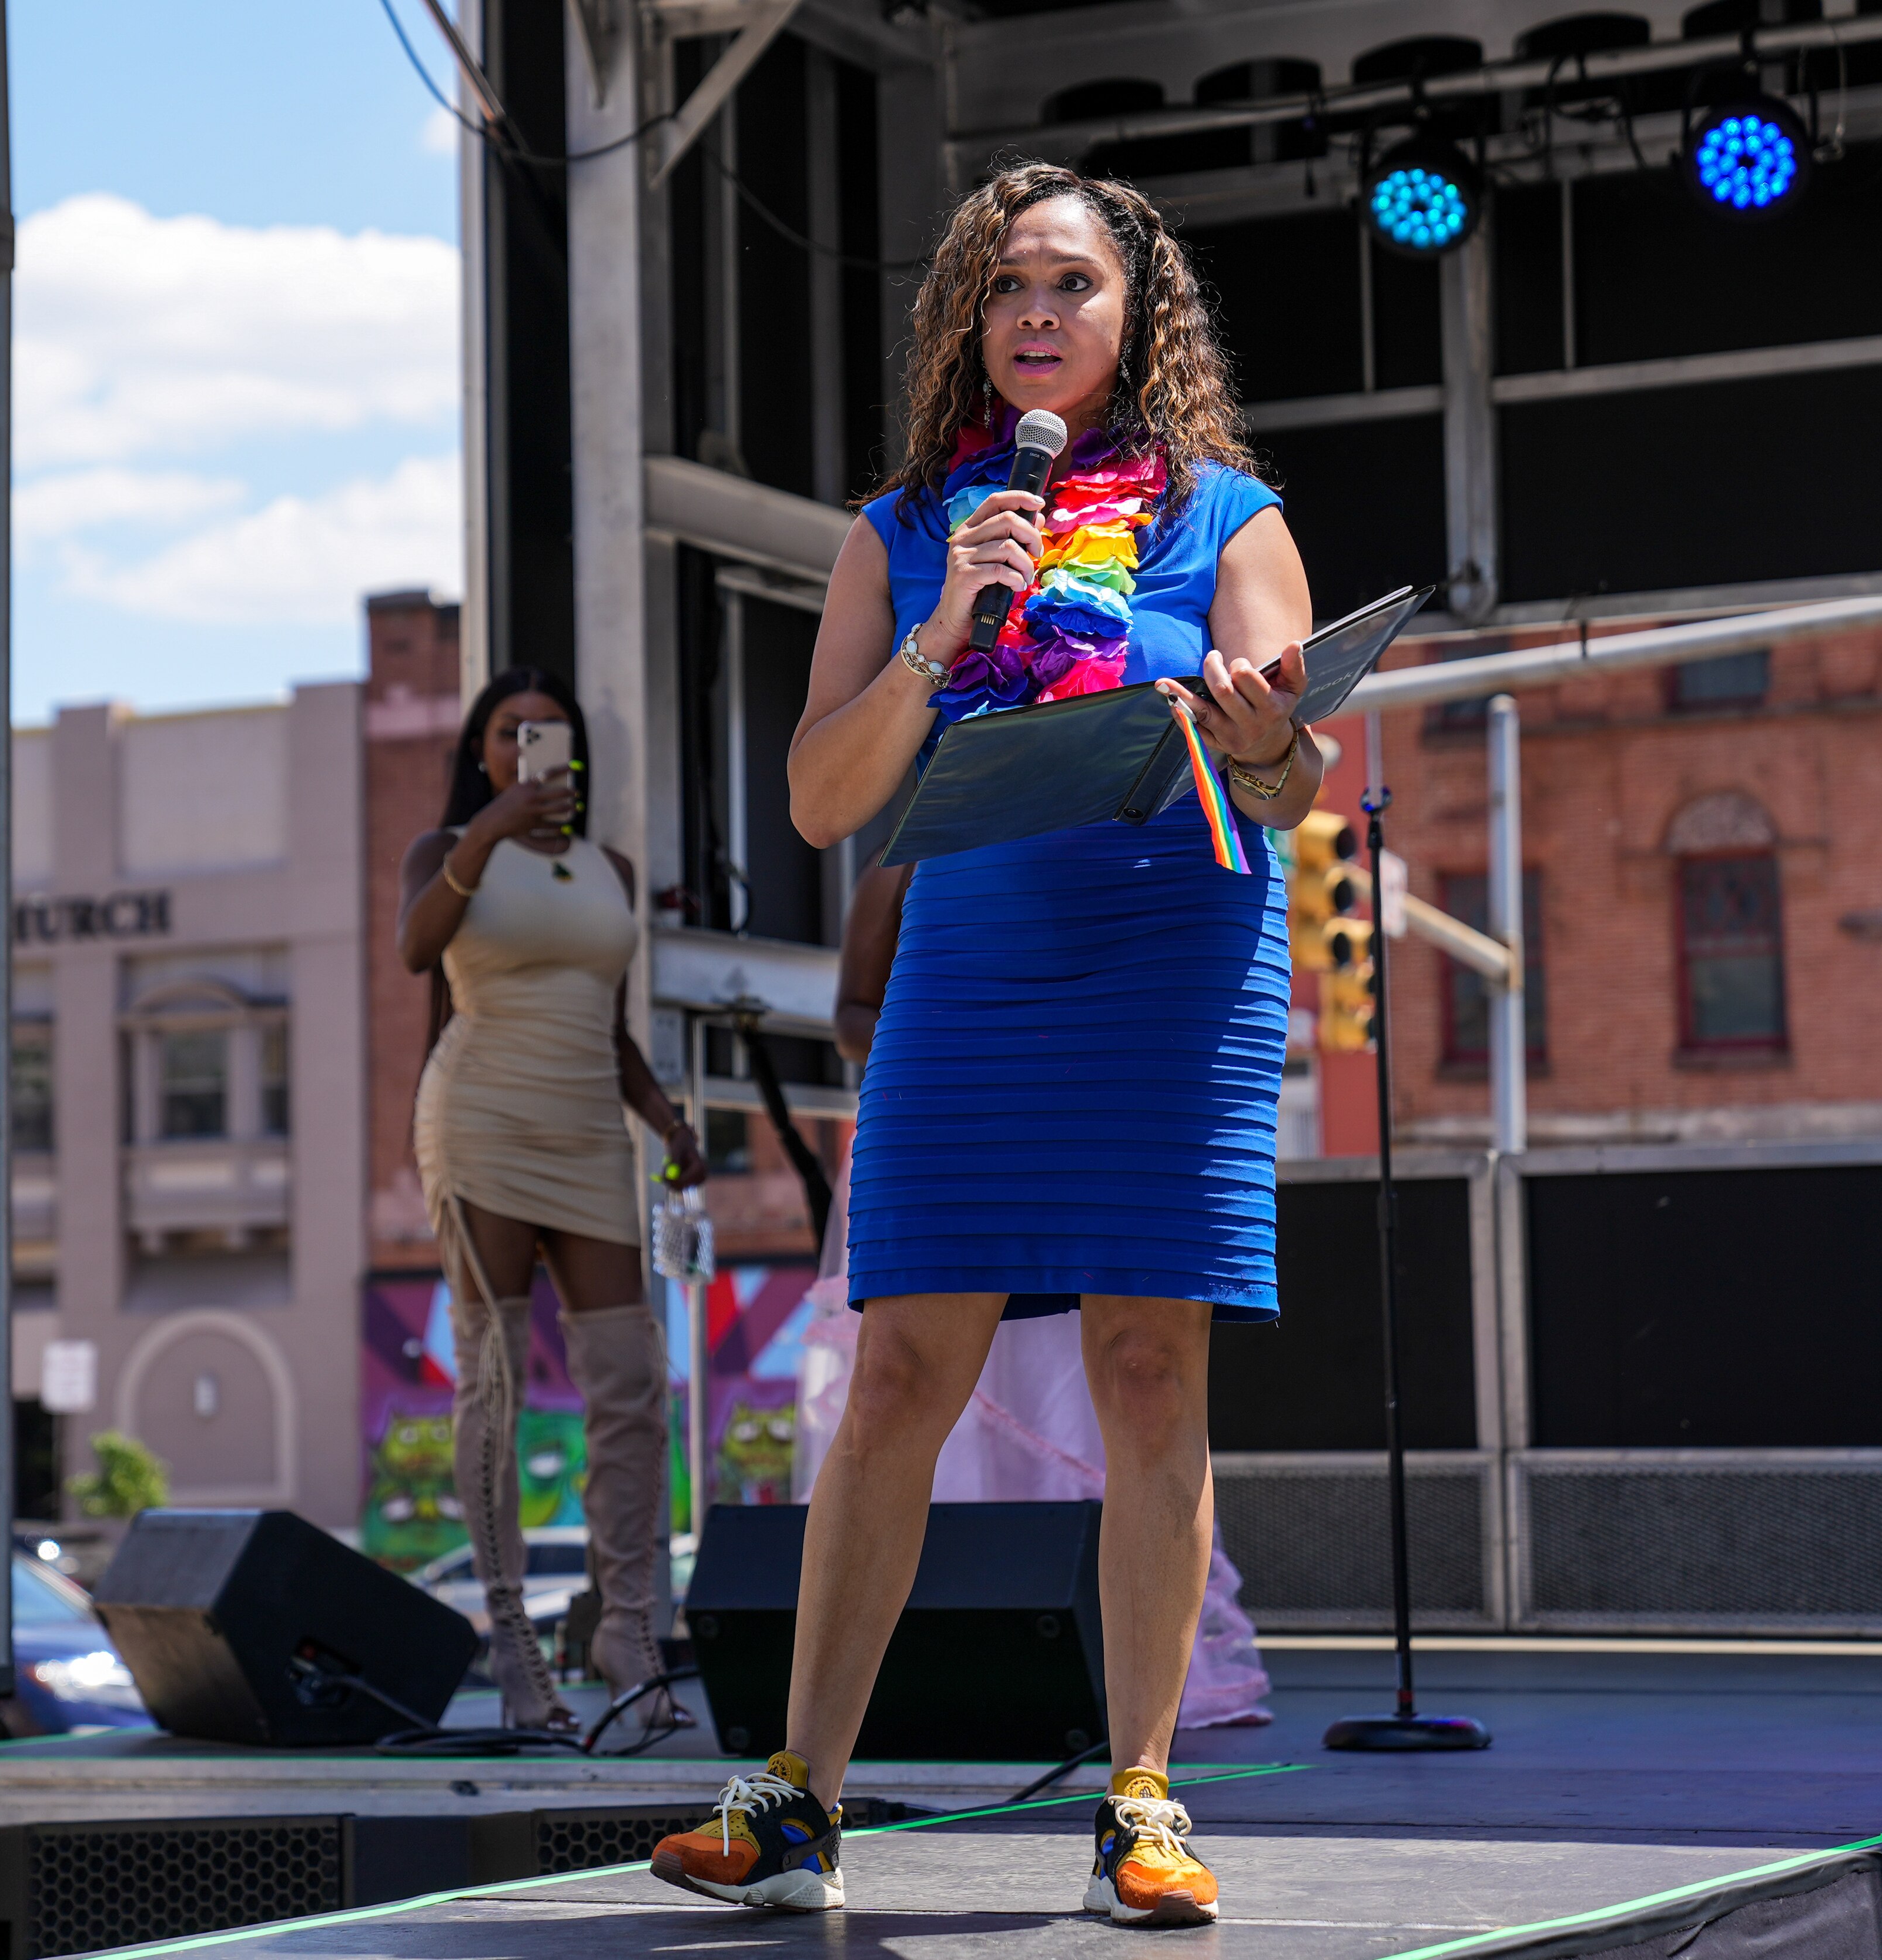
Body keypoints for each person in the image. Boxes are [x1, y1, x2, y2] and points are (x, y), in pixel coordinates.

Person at [651, 162, 1319, 1926]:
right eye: (1011, 285)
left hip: (1172, 960)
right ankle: (799, 1793)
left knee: (1151, 1370)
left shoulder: (1231, 517)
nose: (1040, 313)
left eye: (1076, 287)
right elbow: (818, 796)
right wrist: (949, 628)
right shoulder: (893, 533)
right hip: (978, 965)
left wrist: (1264, 738)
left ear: (1135, 317)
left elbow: (1300, 773)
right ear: (973, 316)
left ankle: (1145, 1796)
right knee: (897, 1374)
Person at [791, 860, 1271, 1732]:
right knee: (916, 1400)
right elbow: (851, 1006)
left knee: (1123, 1392)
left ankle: (1135, 1767)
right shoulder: (902, 861)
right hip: (969, 1089)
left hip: (1122, 1050)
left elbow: (1289, 778)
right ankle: (874, 1726)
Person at [400, 668, 707, 1735]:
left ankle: (627, 1631)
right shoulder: (447, 851)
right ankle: (515, 1649)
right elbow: (413, 949)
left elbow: (609, 1025)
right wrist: (484, 833)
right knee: (494, 1382)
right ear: (482, 751)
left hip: (588, 1131)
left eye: (551, 732)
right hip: (483, 1121)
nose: (531, 743)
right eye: (508, 730)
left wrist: (668, 1122)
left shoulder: (610, 867)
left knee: (629, 1386)